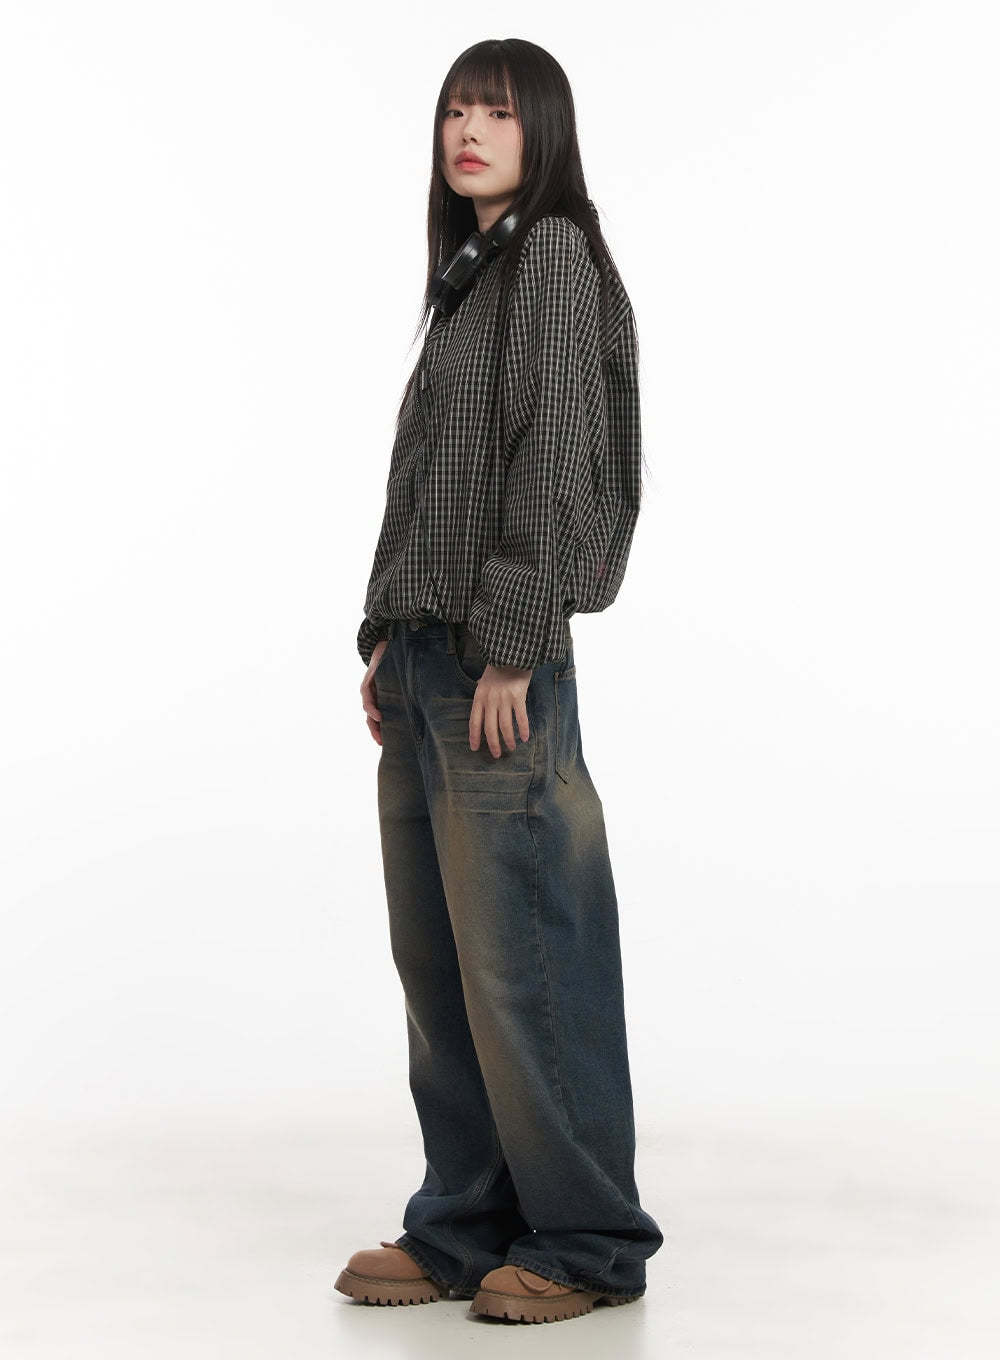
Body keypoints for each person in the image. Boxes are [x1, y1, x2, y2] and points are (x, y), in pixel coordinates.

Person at [336, 38, 664, 1326]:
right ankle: (466, 1223)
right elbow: (431, 477)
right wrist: (385, 633)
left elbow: (563, 456)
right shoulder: (469, 279)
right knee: (442, 968)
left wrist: (515, 639)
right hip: (426, 662)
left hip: (494, 666)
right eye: (455, 110)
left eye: (499, 112)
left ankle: (587, 1240)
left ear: (546, 133)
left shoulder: (556, 258)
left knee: (530, 959)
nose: (469, 130)